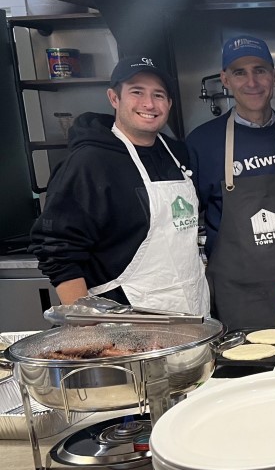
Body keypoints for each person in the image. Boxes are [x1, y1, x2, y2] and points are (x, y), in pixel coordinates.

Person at [31, 56, 209, 315]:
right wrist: (86, 325)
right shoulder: (89, 161)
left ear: (169, 103)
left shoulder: (176, 153)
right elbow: (56, 247)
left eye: (158, 95)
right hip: (123, 325)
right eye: (137, 92)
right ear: (114, 98)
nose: (149, 103)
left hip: (191, 310)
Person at [186, 35, 275, 330]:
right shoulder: (202, 143)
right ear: (225, 79)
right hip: (236, 297)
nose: (251, 81)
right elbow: (186, 223)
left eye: (260, 70)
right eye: (239, 72)